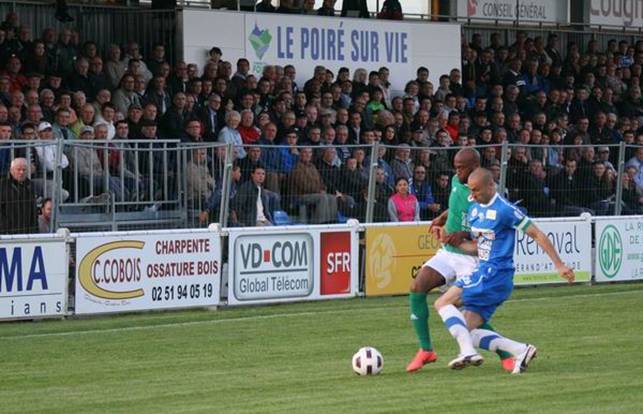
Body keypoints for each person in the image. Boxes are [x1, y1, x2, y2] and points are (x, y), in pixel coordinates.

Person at [434, 168, 574, 373]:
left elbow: (537, 234)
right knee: (467, 328)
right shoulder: (474, 209)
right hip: (490, 273)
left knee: (442, 302)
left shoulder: (505, 209)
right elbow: (479, 247)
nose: (472, 195)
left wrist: (559, 265)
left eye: (476, 190)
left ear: (491, 186)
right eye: (470, 190)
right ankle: (521, 350)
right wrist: (450, 242)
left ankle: (467, 352)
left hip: (494, 273)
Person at [406, 148, 514, 373]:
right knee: (417, 286)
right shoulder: (457, 181)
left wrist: (465, 235)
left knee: (469, 312)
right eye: (455, 167)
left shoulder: (486, 196)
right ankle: (426, 349)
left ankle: (506, 353)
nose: (456, 171)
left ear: (474, 166)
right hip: (448, 251)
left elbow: (488, 230)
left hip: (470, 259)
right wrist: (442, 217)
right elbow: (455, 206)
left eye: (461, 167)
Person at [0, 158, 39, 234]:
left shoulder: (30, 186)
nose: (21, 172)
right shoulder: (2, 185)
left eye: (24, 170)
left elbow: (33, 210)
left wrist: (34, 230)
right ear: (11, 170)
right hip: (7, 232)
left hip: (27, 232)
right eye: (18, 169)